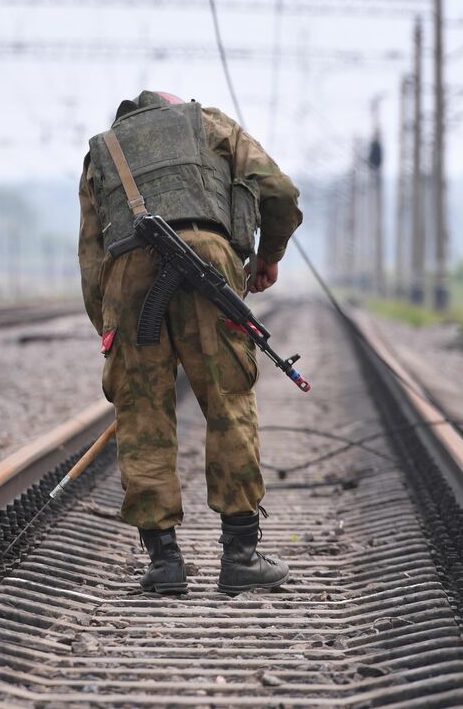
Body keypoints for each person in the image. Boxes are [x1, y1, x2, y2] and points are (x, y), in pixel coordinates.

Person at [77, 91, 303, 595]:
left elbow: (92, 257)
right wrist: (268, 256)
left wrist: (111, 332)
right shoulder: (212, 125)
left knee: (141, 413)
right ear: (173, 107)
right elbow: (281, 194)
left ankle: (164, 562)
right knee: (229, 402)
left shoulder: (101, 153)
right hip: (209, 261)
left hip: (127, 272)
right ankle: (240, 557)